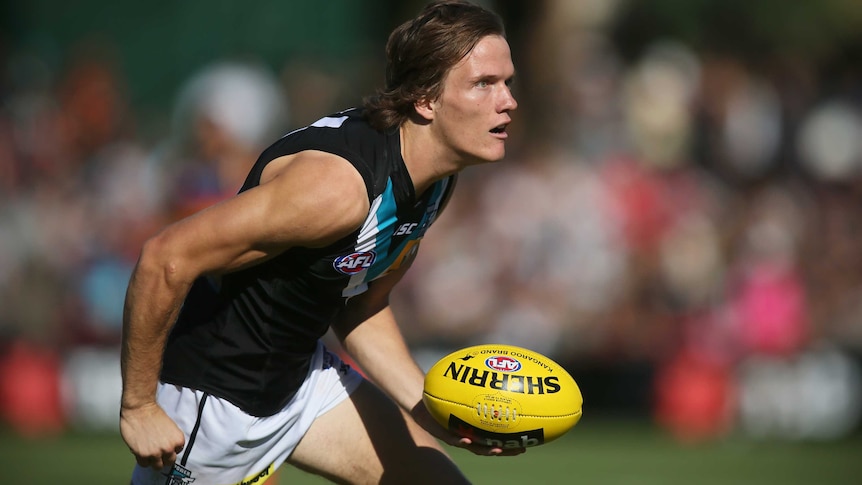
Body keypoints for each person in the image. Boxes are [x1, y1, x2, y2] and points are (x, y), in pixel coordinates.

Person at [120, 1, 520, 483]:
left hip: (300, 382)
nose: (508, 100)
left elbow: (359, 307)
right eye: (484, 84)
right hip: (214, 407)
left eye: (507, 82)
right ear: (425, 99)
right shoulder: (337, 190)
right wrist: (138, 405)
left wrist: (426, 405)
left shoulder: (435, 178)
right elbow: (165, 257)